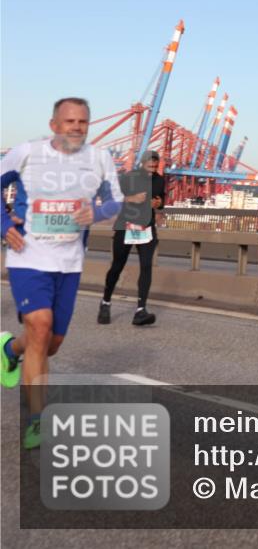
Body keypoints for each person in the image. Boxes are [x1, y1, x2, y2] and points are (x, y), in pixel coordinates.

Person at [1, 97, 124, 450]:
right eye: (69, 121)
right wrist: (3, 221)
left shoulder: (100, 159)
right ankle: (37, 422)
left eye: (83, 122)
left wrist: (98, 213)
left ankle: (10, 349)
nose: (76, 127)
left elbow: (116, 200)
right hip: (28, 257)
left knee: (50, 344)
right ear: (54, 124)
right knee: (39, 325)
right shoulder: (26, 153)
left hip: (69, 263)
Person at [98, 150, 165, 326]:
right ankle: (105, 302)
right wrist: (131, 198)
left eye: (156, 165)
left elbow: (162, 199)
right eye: (150, 164)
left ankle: (140, 311)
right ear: (142, 163)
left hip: (146, 228)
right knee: (117, 266)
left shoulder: (159, 180)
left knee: (146, 266)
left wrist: (159, 203)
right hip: (126, 226)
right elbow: (112, 198)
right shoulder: (129, 177)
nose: (153, 168)